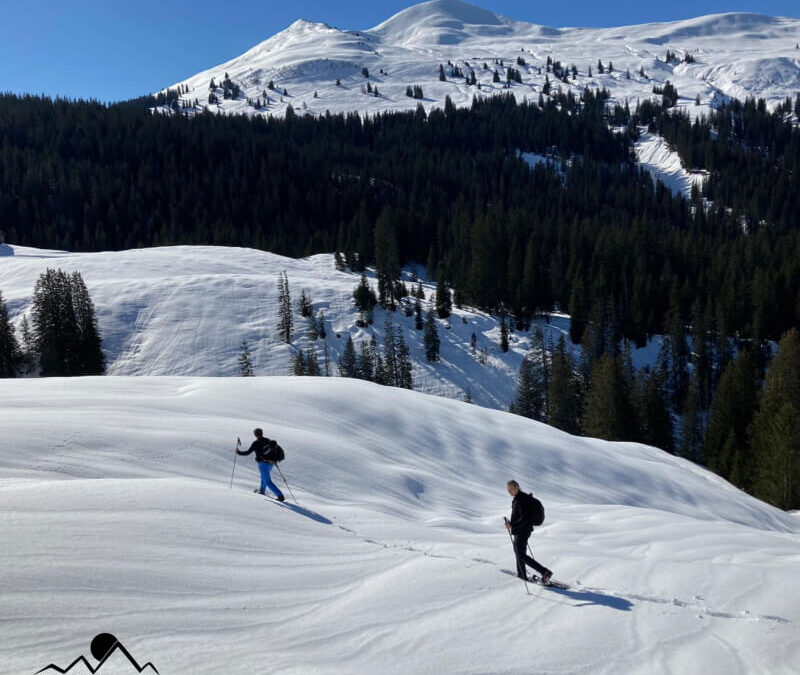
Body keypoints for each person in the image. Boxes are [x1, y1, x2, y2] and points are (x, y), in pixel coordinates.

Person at [504, 479, 552, 584]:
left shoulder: (522, 499)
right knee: (519, 553)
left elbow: (524, 518)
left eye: (511, 489)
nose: (509, 492)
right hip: (519, 530)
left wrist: (512, 525)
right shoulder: (518, 498)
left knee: (520, 555)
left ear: (517, 487)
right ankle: (522, 575)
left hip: (523, 530)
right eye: (508, 490)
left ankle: (545, 572)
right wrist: (511, 524)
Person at [236, 428, 285, 501]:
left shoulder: (256, 443)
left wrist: (238, 452)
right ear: (262, 433)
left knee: (267, 481)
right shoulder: (268, 441)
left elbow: (247, 452)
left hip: (263, 463)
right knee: (263, 477)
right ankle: (262, 491)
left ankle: (280, 496)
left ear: (255, 435)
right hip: (271, 463)